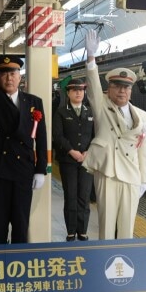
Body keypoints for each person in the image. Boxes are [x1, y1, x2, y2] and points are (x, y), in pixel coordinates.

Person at [0, 26, 48, 244]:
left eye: (12, 73)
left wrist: (41, 169)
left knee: (21, 223)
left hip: (23, 171)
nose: (8, 78)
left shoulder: (34, 102)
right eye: (3, 73)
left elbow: (41, 139)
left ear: (20, 76)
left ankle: (19, 266)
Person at [82, 29, 146, 240]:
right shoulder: (102, 107)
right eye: (117, 87)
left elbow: (143, 150)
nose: (122, 91)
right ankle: (106, 261)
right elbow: (92, 87)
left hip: (132, 175)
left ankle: (124, 263)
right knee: (107, 224)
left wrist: (144, 180)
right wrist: (91, 59)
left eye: (126, 88)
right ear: (108, 89)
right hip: (108, 172)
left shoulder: (142, 116)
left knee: (127, 226)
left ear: (131, 90)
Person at [53, 78, 95, 241]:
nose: (78, 93)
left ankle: (82, 230)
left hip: (86, 160)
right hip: (68, 160)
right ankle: (71, 230)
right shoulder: (61, 112)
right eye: (75, 90)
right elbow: (58, 136)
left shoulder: (90, 112)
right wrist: (71, 151)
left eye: (81, 90)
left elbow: (96, 136)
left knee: (84, 196)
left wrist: (87, 152)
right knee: (70, 195)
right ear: (68, 93)